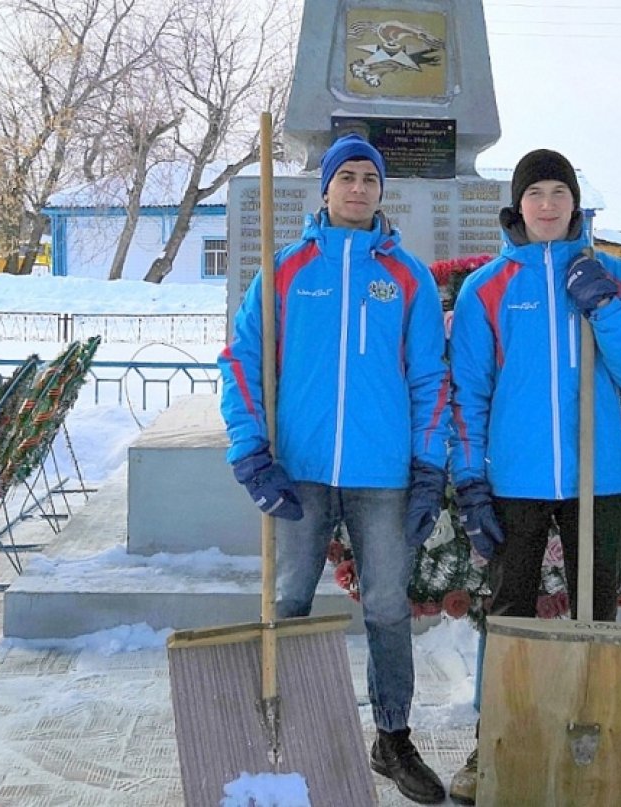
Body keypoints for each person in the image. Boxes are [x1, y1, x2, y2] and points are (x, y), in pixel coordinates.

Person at [218, 133, 450, 805]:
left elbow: (430, 377)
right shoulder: (288, 268)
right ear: (324, 189)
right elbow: (243, 360)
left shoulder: (405, 277)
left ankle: (392, 737)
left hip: (382, 472)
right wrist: (250, 449)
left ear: (381, 191)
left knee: (385, 605)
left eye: (368, 179)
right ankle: (279, 732)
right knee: (288, 599)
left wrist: (428, 465)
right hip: (300, 468)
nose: (357, 188)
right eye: (345, 176)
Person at [445, 148, 621, 804]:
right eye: (535, 192)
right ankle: (495, 742)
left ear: (575, 203)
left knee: (594, 608)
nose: (547, 204)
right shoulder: (490, 286)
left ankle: (588, 733)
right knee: (510, 610)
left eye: (558, 192)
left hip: (593, 477)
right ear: (518, 206)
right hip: (515, 477)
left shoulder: (614, 279)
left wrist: (603, 307)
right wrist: (473, 480)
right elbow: (469, 392)